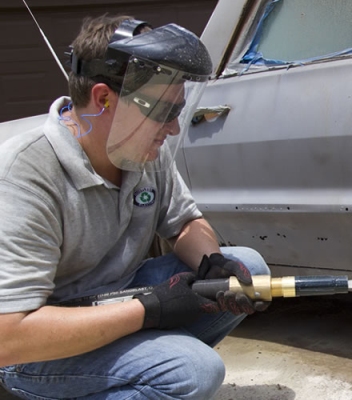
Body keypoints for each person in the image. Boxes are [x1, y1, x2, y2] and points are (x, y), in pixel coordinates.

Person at [0, 15, 269, 399]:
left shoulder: (137, 149)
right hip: (34, 347)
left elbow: (184, 222)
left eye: (177, 111)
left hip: (115, 298)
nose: (174, 128)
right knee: (192, 372)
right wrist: (151, 309)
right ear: (103, 99)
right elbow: (8, 334)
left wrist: (212, 262)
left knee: (247, 271)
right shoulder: (24, 173)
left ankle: (141, 371)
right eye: (163, 111)